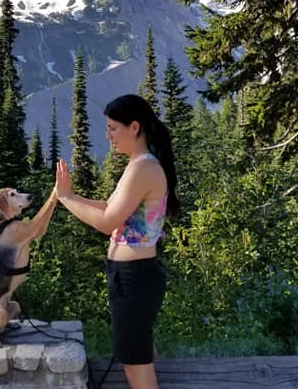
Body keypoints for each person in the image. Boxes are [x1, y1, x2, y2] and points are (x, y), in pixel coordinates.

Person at [55, 93, 180, 389]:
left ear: (134, 127)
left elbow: (108, 221)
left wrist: (65, 199)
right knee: (138, 355)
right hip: (132, 278)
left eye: (113, 128)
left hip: (135, 279)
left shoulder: (143, 168)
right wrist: (70, 195)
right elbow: (107, 205)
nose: (109, 136)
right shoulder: (138, 165)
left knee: (137, 366)